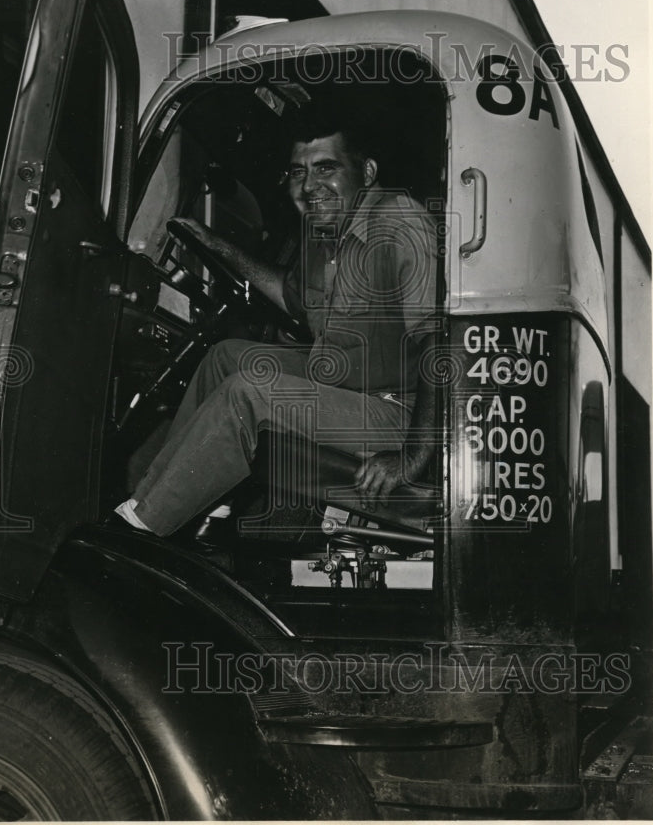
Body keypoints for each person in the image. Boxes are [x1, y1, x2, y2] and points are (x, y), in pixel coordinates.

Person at [116, 112, 439, 537]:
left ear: (367, 172)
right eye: (299, 172)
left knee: (248, 392)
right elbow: (293, 297)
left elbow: (439, 343)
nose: (309, 186)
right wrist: (220, 248)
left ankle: (141, 530)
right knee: (226, 358)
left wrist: (413, 456)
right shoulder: (325, 231)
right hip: (346, 383)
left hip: (397, 411)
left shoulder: (401, 223)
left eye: (326, 168)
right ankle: (164, 498)